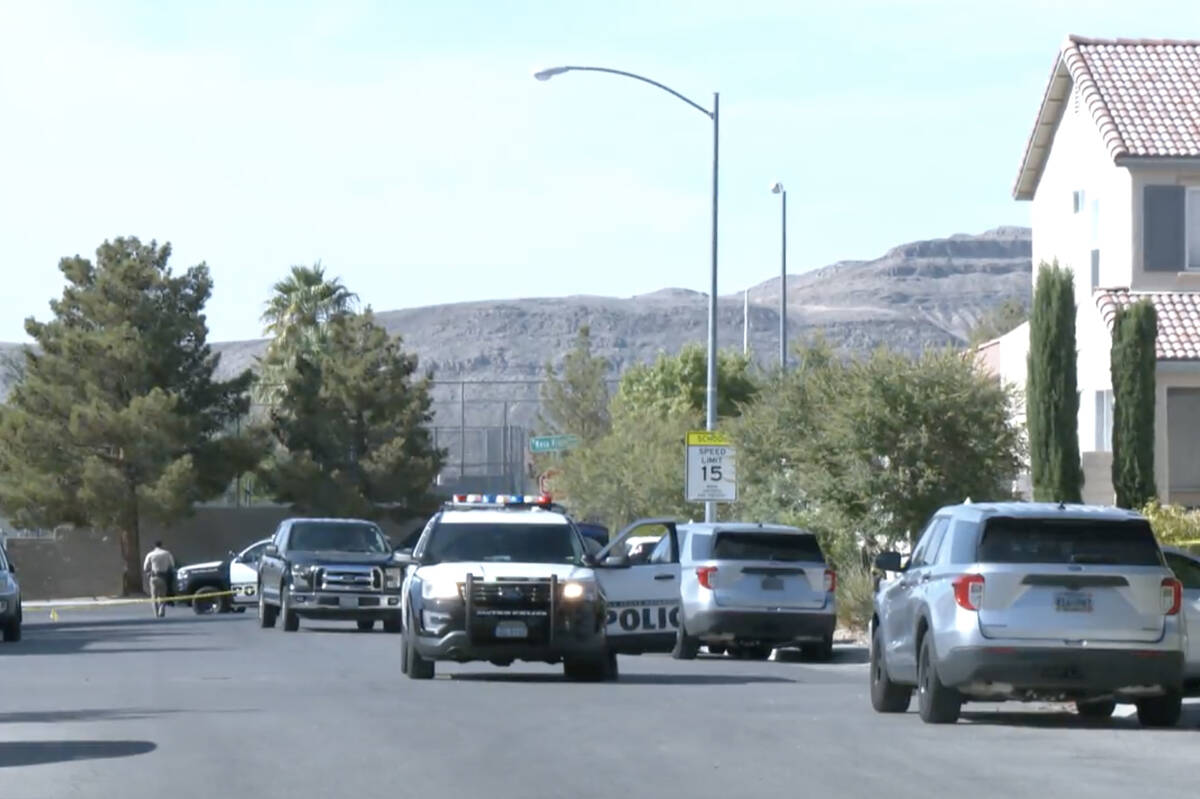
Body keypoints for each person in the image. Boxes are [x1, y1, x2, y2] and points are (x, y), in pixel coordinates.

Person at [143, 541, 176, 618]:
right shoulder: (166, 553)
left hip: (153, 577)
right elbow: (172, 564)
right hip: (163, 577)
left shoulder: (150, 554)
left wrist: (149, 572)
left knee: (154, 596)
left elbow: (145, 567)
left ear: (154, 546)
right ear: (162, 545)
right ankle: (161, 610)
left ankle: (156, 613)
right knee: (162, 595)